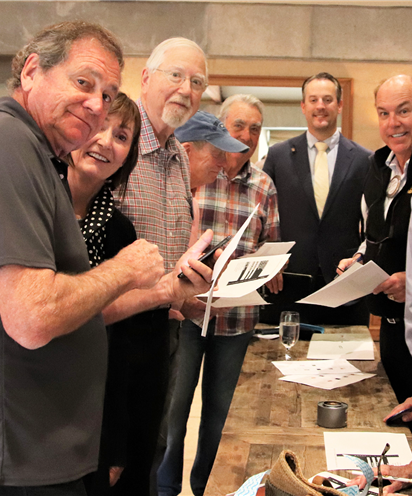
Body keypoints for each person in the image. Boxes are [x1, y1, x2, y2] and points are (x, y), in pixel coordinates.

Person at [0, 21, 190, 496]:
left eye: (107, 94)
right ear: (31, 71)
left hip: (25, 448)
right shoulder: (4, 143)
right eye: (83, 82)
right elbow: (33, 315)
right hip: (6, 453)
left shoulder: (34, 156)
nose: (96, 104)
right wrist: (124, 270)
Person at [89, 36, 216, 496]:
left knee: (148, 461)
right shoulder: (111, 141)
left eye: (196, 82)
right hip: (108, 338)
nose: (185, 89)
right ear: (145, 78)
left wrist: (188, 282)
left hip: (161, 333)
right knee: (110, 470)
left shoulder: (179, 155)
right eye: (176, 75)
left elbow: (170, 246)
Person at [157, 98, 282, 496]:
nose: (247, 135)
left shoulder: (263, 185)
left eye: (255, 128)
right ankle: (165, 487)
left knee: (220, 415)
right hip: (187, 312)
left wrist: (267, 266)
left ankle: (206, 487)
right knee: (174, 411)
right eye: (238, 126)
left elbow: (271, 244)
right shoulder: (191, 173)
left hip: (237, 315)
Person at [332, 74, 412, 442]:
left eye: (403, 111)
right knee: (400, 424)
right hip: (391, 324)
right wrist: (357, 260)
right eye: (383, 113)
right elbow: (371, 234)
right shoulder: (378, 164)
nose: (393, 123)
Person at [264, 73, 370, 326]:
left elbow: (371, 221)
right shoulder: (278, 156)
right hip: (289, 280)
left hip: (343, 282)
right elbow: (263, 215)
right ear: (303, 106)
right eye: (313, 100)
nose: (320, 106)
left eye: (327, 99)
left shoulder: (364, 159)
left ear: (339, 105)